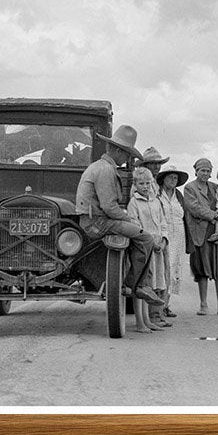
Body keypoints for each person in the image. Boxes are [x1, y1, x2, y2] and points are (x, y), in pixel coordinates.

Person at [74, 125, 162, 305]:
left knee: (136, 233)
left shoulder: (99, 166)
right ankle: (135, 285)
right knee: (145, 238)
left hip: (94, 220)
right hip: (98, 223)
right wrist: (129, 219)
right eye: (126, 153)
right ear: (115, 150)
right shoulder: (106, 170)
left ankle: (133, 282)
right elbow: (109, 207)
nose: (128, 158)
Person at [183, 157, 218, 316]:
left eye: (208, 171)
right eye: (202, 170)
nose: (205, 173)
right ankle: (203, 304)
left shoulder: (216, 187)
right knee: (202, 270)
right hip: (201, 234)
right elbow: (194, 208)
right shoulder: (190, 188)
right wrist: (215, 215)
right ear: (196, 171)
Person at [126, 166, 169, 331]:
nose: (145, 186)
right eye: (141, 183)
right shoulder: (134, 203)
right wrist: (151, 242)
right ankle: (139, 322)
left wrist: (163, 240)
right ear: (135, 184)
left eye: (148, 183)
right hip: (143, 249)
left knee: (151, 284)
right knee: (141, 285)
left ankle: (148, 320)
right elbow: (135, 225)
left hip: (158, 248)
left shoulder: (156, 201)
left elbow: (163, 222)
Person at [156, 164, 189, 317]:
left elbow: (185, 216)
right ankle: (157, 307)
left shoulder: (179, 196)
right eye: (170, 177)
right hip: (163, 233)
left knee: (175, 268)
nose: (173, 180)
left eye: (175, 178)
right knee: (162, 269)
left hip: (179, 235)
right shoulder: (157, 194)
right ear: (163, 179)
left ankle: (166, 305)